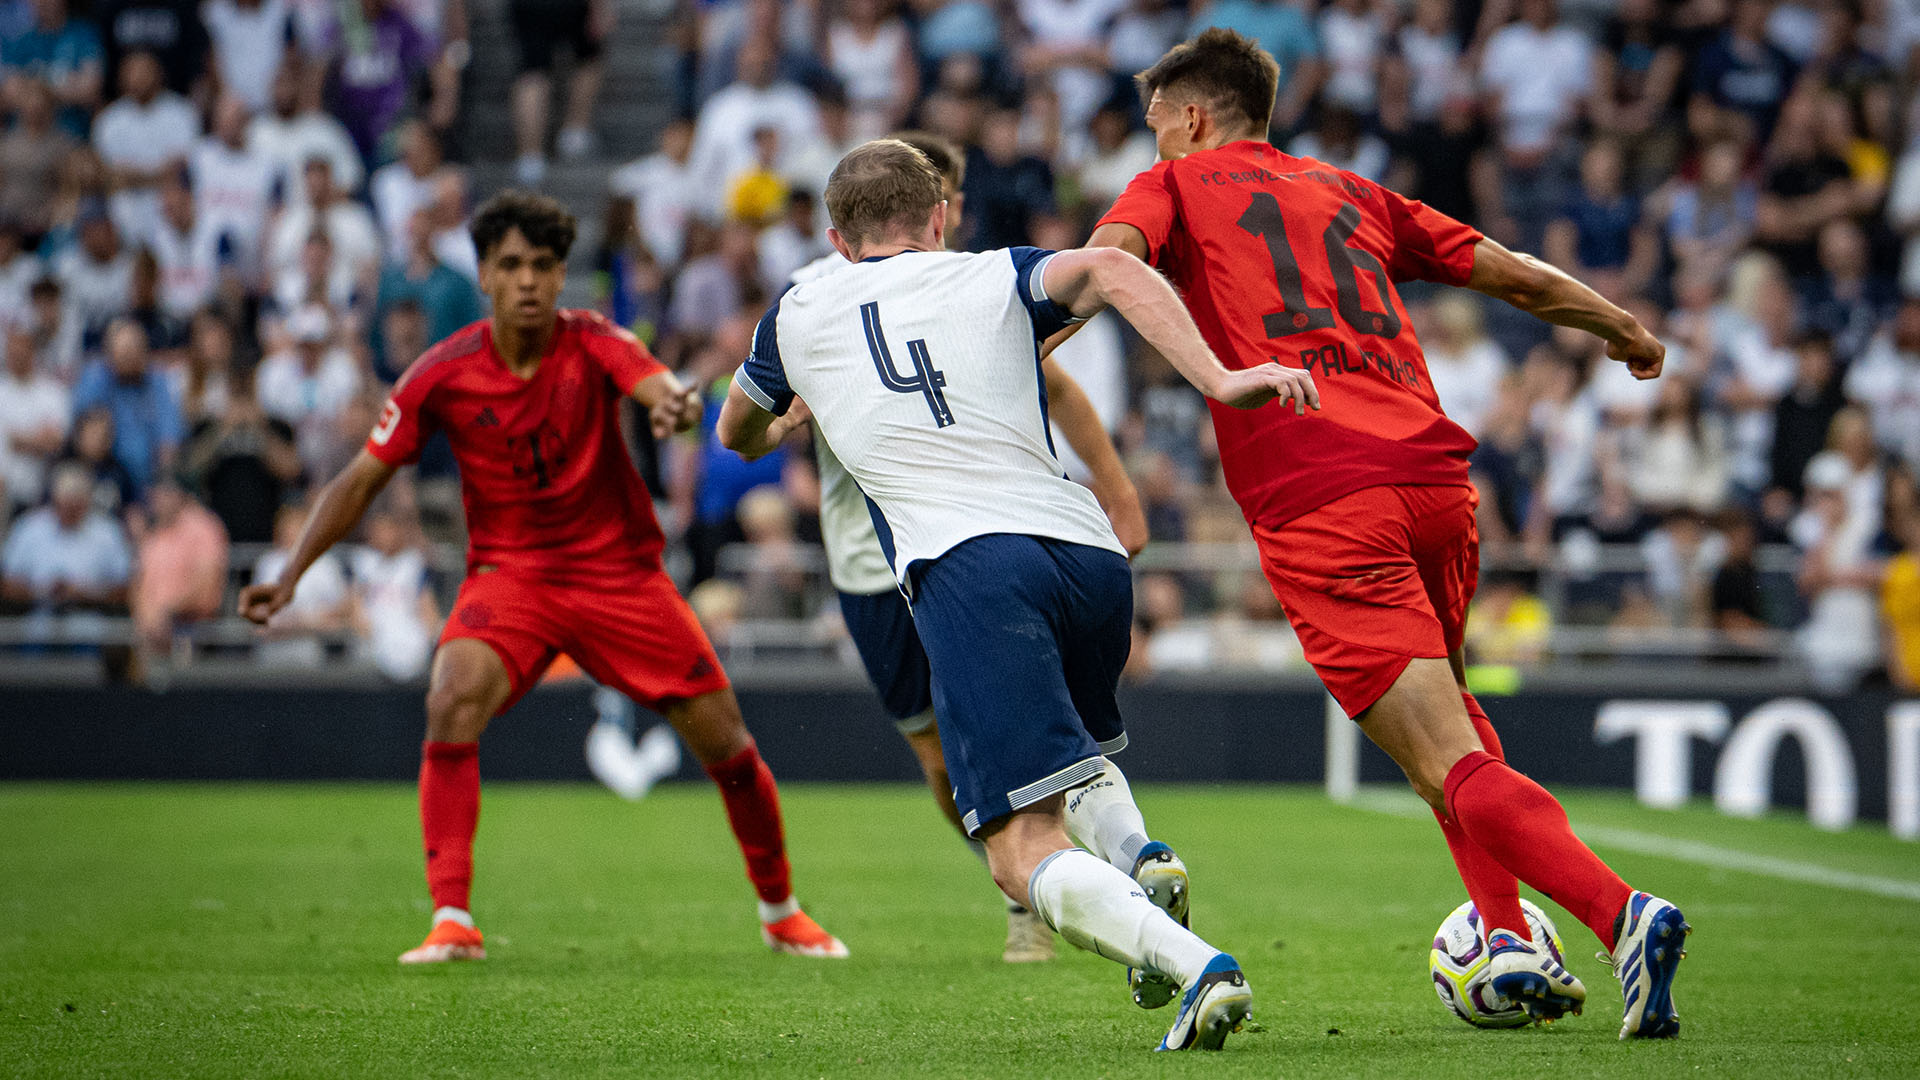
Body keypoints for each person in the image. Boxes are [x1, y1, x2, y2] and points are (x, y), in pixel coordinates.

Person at [1075, 29, 1689, 1038]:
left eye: (1153, 121)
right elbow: (1515, 276)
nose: (1149, 141)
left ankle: (1622, 915)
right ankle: (1506, 936)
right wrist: (1619, 325)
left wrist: (1036, 324)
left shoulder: (1173, 186)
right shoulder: (1350, 191)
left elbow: (1106, 267)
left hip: (1323, 494)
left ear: (1189, 116)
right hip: (1436, 482)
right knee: (1448, 740)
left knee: (1442, 753)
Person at [717, 139, 1314, 1051]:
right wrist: (1223, 380)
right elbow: (1114, 266)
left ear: (835, 238)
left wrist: (789, 412)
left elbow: (736, 432)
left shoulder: (799, 310)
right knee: (1073, 761)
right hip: (1086, 553)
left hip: (971, 568)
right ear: (940, 217)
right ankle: (1140, 855)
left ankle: (1197, 967)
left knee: (1016, 850)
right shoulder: (995, 275)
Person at [237, 191, 846, 965]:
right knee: (450, 693)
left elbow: (656, 384)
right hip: (512, 579)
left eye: (544, 266)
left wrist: (672, 406)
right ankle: (451, 918)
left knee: (727, 742)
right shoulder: (442, 373)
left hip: (619, 575)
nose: (528, 280)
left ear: (562, 277)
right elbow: (361, 478)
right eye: (511, 265)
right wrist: (292, 574)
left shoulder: (593, 341)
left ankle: (781, 910)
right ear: (485, 275)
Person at [782, 131, 1152, 966]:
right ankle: (1031, 877)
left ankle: (1068, 875)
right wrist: (789, 417)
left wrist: (1118, 490)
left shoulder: (974, 287)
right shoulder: (807, 303)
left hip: (975, 542)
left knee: (1023, 724)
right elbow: (756, 418)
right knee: (940, 756)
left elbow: (1055, 384)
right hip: (872, 562)